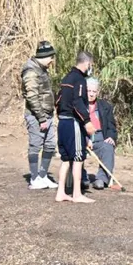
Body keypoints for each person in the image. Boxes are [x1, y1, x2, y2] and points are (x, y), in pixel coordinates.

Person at [55, 52, 95, 204]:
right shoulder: (79, 80)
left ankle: (61, 192)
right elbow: (78, 102)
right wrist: (86, 121)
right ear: (87, 63)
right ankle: (77, 194)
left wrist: (60, 115)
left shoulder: (66, 78)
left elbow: (58, 100)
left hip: (62, 122)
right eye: (91, 65)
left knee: (66, 159)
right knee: (78, 157)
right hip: (72, 122)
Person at [20, 41, 59, 190]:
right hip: (36, 116)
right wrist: (41, 118)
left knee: (50, 145)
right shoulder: (31, 71)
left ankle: (43, 176)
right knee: (35, 146)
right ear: (44, 56)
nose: (52, 61)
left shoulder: (42, 69)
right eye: (51, 57)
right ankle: (35, 178)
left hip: (47, 115)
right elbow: (32, 96)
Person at [85, 77, 118, 190]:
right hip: (83, 137)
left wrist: (111, 137)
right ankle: (82, 177)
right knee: (76, 149)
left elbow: (111, 126)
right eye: (89, 91)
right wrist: (85, 139)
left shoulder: (105, 106)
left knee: (108, 146)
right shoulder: (78, 105)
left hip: (100, 136)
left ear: (98, 92)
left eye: (94, 91)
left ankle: (101, 179)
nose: (91, 94)